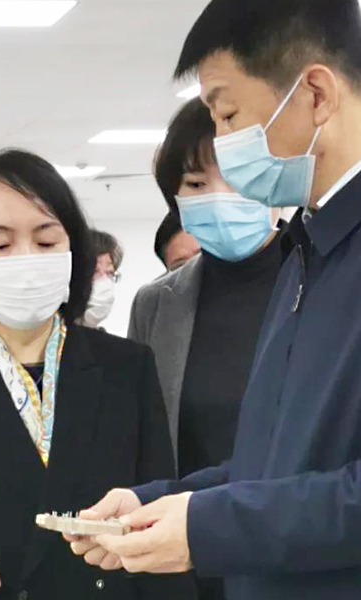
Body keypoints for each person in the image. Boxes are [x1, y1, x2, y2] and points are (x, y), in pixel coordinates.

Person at [68, 1, 361, 599]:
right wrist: (160, 503)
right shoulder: (312, 252)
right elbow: (282, 462)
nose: (223, 143)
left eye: (228, 115)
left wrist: (211, 527)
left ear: (315, 94)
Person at [0, 149, 193, 600]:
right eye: (0, 246)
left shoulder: (127, 367)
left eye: (45, 243)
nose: (25, 259)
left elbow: (160, 521)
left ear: (71, 252)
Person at [129, 98, 286, 600]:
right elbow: (145, 436)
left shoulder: (329, 281)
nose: (219, 197)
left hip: (296, 552)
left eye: (238, 178)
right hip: (187, 563)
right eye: (196, 184)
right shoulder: (157, 304)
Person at [83, 229, 123, 328]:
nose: (104, 282)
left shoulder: (103, 337)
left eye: (109, 273)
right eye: (95, 272)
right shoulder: (49, 333)